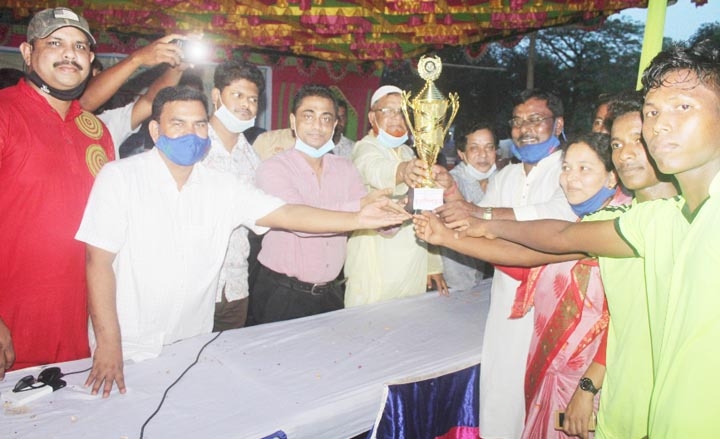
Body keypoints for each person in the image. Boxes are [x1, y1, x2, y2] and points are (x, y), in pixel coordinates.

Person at [450, 41, 719, 437]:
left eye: (683, 107)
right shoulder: (657, 220)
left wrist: (480, 219)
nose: (659, 125)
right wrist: (477, 219)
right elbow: (560, 235)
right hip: (639, 415)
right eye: (653, 113)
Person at [75, 85, 409, 398]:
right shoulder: (120, 177)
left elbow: (287, 214)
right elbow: (98, 262)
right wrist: (108, 342)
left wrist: (358, 218)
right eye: (178, 124)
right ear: (155, 131)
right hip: (127, 342)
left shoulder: (221, 187)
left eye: (200, 124)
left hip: (192, 338)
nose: (192, 133)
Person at [434, 89, 577, 439]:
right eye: (517, 121)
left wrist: (480, 214)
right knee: (501, 394)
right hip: (505, 303)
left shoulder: (571, 167)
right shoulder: (507, 176)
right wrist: (451, 192)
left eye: (535, 119)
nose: (524, 128)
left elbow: (556, 217)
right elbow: (479, 223)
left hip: (554, 307)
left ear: (558, 124)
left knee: (548, 398)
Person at [0, 7, 114, 377]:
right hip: (10, 335)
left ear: (91, 59)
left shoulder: (96, 130)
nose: (70, 53)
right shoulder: (4, 114)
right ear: (28, 53)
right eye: (55, 43)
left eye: (80, 45)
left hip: (78, 339)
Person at [251, 85, 371, 324]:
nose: (318, 125)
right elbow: (300, 221)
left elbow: (382, 223)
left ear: (336, 125)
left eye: (326, 118)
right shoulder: (273, 168)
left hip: (331, 294)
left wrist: (404, 204)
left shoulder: (346, 168)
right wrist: (359, 210)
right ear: (293, 121)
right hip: (282, 294)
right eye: (308, 116)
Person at [343, 85, 448, 307]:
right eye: (388, 111)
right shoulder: (365, 147)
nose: (396, 118)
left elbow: (424, 212)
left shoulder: (409, 152)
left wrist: (432, 264)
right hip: (376, 262)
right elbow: (375, 169)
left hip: (412, 260)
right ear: (373, 117)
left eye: (402, 112)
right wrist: (403, 171)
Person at [203, 59, 266, 331]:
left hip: (236, 287)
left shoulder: (253, 159)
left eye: (252, 99)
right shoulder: (193, 146)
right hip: (194, 285)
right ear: (216, 96)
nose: (246, 105)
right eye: (237, 95)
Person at [81, 35, 186, 153]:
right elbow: (84, 104)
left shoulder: (107, 123)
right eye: (94, 78)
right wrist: (138, 58)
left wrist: (177, 67)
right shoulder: (61, 117)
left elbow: (150, 101)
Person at [441, 121, 498, 290]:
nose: (483, 155)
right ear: (461, 153)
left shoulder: (504, 179)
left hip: (496, 274)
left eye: (489, 148)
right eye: (475, 148)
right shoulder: (450, 181)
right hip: (457, 276)